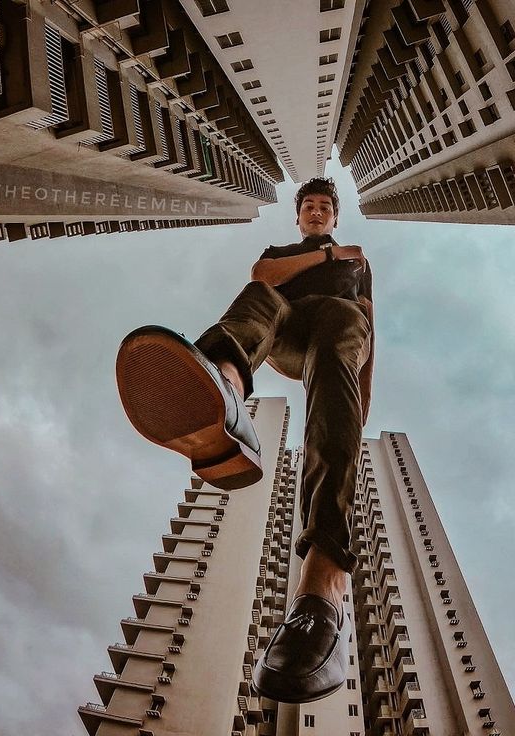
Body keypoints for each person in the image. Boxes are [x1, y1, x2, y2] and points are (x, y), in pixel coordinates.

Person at [115, 177, 374, 703]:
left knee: (343, 320)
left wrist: (356, 407)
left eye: (326, 206)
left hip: (337, 332)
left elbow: (370, 322)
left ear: (336, 213)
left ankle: (325, 583)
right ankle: (224, 394)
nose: (318, 211)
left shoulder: (358, 262)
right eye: (310, 208)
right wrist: (325, 257)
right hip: (284, 330)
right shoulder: (294, 252)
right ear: (300, 217)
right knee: (262, 296)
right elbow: (264, 275)